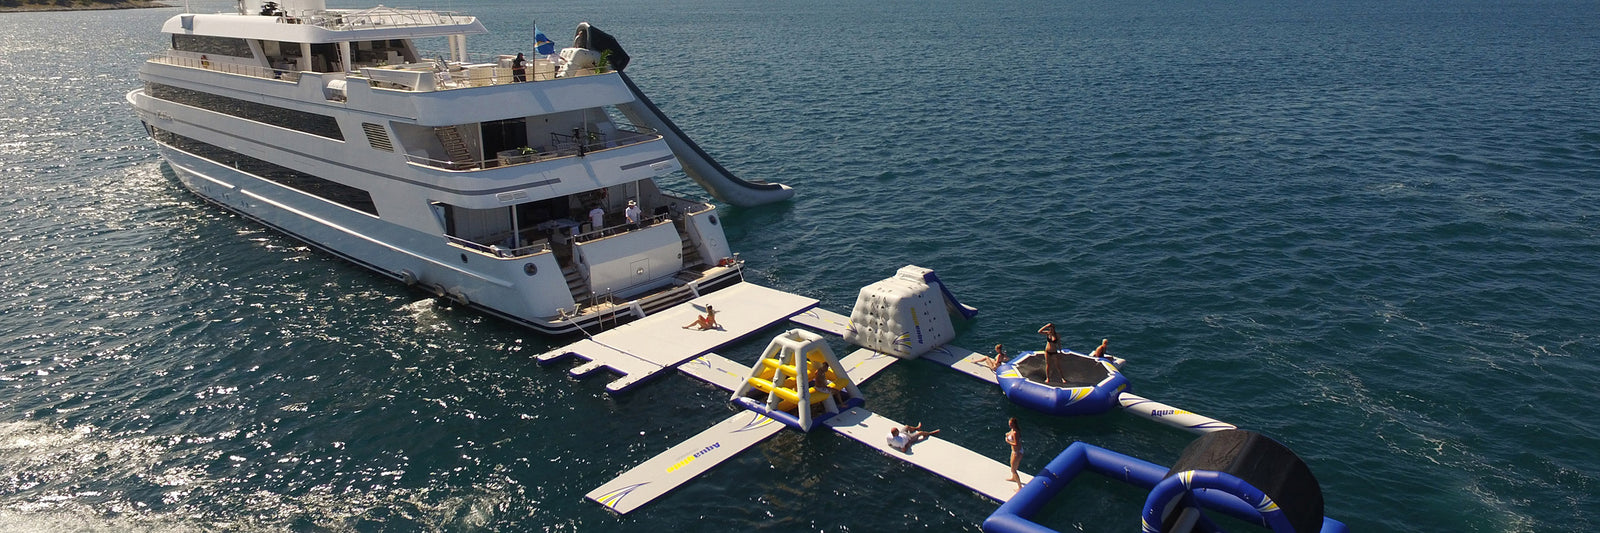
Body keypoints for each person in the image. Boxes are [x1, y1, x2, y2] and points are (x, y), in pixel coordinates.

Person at [1004, 417, 1023, 491]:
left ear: (1014, 424)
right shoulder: (1012, 430)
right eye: (1009, 424)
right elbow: (1010, 433)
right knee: (1012, 465)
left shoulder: (1015, 433)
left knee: (1013, 469)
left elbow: (1016, 443)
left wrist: (1008, 441)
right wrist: (1007, 434)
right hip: (1014, 451)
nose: (1009, 425)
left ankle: (1020, 487)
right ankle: (1013, 478)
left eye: (1011, 424)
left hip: (1017, 452)